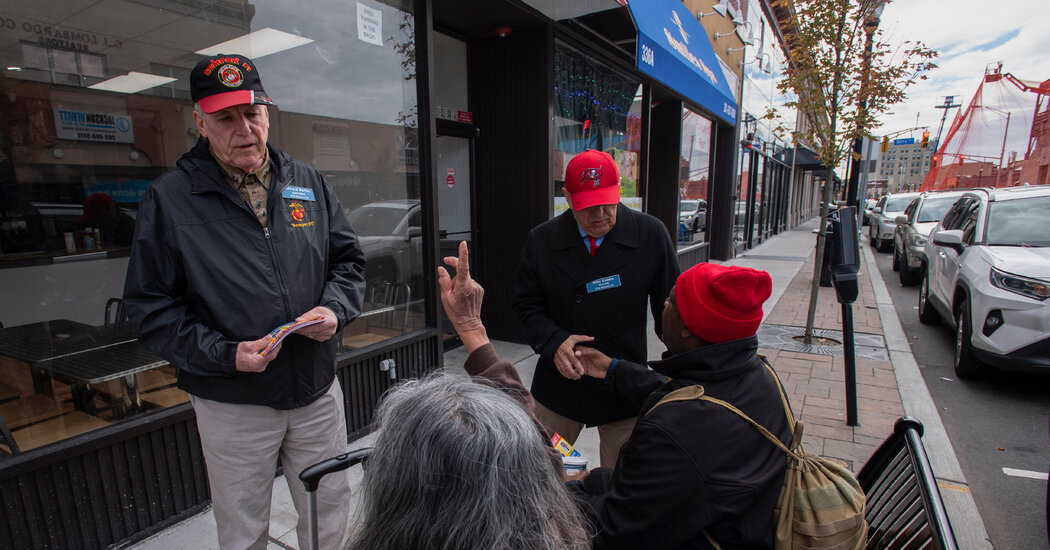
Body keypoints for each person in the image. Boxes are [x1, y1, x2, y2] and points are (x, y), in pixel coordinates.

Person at [122, 53, 366, 550]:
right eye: (225, 118)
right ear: (200, 123)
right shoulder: (170, 199)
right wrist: (225, 353)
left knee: (329, 511)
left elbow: (349, 263)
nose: (244, 130)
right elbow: (150, 309)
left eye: (252, 114)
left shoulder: (309, 182)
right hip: (233, 402)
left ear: (267, 113)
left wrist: (336, 309)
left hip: (316, 391)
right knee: (243, 527)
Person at [346, 241, 589, 550]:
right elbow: (538, 452)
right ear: (525, 485)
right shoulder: (554, 533)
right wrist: (472, 328)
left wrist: (470, 327)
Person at [568, 262, 794, 549]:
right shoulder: (759, 375)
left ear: (689, 329)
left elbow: (613, 529)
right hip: (743, 521)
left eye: (671, 300)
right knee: (599, 478)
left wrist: (561, 488)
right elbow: (686, 393)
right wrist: (611, 369)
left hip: (698, 536)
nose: (663, 303)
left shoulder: (674, 431)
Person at [513, 149, 678, 468]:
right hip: (560, 386)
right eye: (588, 205)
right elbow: (525, 308)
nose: (600, 213)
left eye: (608, 200)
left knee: (624, 478)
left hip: (623, 382)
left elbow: (670, 312)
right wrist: (554, 342)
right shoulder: (542, 240)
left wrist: (683, 370)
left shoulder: (650, 234)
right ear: (567, 197)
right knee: (543, 469)